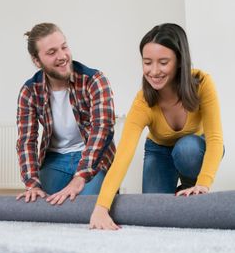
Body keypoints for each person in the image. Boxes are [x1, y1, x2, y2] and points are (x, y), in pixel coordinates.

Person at [90, 23, 224, 230]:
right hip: (158, 151)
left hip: (195, 150)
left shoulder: (202, 83)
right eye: (147, 62)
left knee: (186, 149)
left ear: (179, 60)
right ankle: (182, 197)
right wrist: (101, 207)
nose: (154, 71)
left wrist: (203, 184)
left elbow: (215, 139)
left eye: (163, 62)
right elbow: (123, 155)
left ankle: (190, 187)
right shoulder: (143, 101)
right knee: (155, 214)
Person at [16, 23, 115, 204]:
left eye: (64, 47)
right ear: (36, 61)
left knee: (85, 207)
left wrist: (81, 177)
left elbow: (103, 128)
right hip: (55, 160)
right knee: (40, 204)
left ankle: (105, 187)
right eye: (51, 52)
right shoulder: (29, 91)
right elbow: (26, 141)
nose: (62, 56)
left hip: (92, 156)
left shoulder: (94, 80)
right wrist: (32, 184)